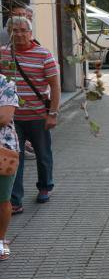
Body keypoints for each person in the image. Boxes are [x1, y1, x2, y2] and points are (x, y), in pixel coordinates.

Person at [0, 16, 60, 214]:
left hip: (38, 116)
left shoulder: (44, 55)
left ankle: (45, 186)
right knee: (14, 158)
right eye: (14, 30)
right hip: (12, 119)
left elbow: (55, 86)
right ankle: (15, 200)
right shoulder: (3, 54)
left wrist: (53, 113)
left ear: (30, 32)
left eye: (22, 30)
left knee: (43, 154)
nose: (18, 34)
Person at [0, 73, 19, 260]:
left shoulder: (5, 84)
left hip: (3, 152)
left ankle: (0, 239)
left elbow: (4, 117)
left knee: (2, 199)